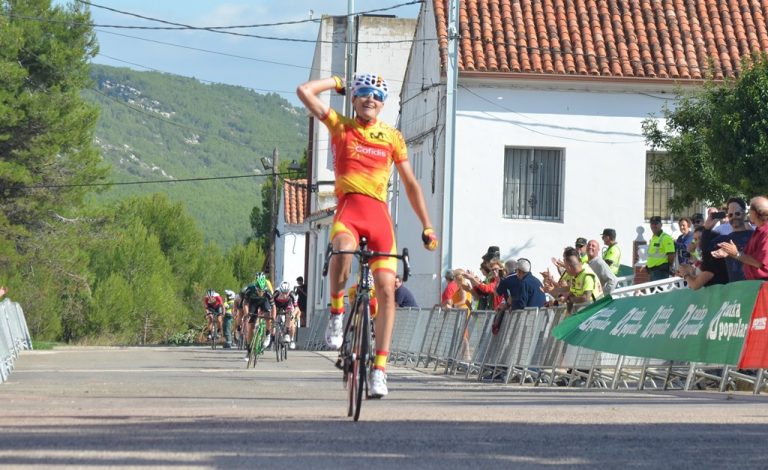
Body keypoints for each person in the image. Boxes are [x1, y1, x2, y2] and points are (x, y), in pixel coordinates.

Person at [297, 72, 438, 398]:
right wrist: (335, 82)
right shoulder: (341, 126)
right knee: (343, 251)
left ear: (383, 103)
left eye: (376, 96)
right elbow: (304, 91)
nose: (370, 99)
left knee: (387, 290)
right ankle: (336, 314)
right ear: (354, 98)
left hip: (378, 219)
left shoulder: (392, 136)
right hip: (349, 213)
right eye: (363, 94)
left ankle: (379, 370)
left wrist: (427, 225)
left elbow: (412, 185)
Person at [713, 196, 768, 280]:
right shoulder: (758, 231)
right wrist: (728, 252)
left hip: (760, 286)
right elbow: (748, 255)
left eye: (750, 210)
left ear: (755, 213)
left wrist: (736, 254)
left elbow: (760, 263)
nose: (748, 212)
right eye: (730, 214)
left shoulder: (765, 232)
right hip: (748, 286)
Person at [242, 273, 276, 360]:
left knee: (268, 317)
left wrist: (273, 318)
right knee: (251, 327)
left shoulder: (268, 292)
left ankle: (267, 334)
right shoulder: (250, 289)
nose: (260, 293)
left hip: (264, 302)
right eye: (259, 291)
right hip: (253, 303)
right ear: (255, 288)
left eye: (262, 291)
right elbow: (245, 304)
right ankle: (249, 350)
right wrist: (246, 315)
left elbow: (273, 307)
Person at [645, 216, 675, 281]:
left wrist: (669, 266)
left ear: (661, 225)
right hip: (652, 271)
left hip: (660, 271)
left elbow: (671, 254)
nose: (653, 225)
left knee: (658, 290)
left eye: (656, 223)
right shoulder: (654, 238)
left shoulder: (665, 238)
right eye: (652, 224)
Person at [273, 281, 298, 350]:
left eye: (286, 293)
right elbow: (271, 305)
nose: (284, 295)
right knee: (273, 315)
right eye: (283, 293)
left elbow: (296, 307)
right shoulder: (276, 293)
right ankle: (273, 338)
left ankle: (290, 337)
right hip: (278, 304)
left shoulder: (292, 294)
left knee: (289, 315)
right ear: (280, 290)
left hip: (287, 304)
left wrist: (293, 314)